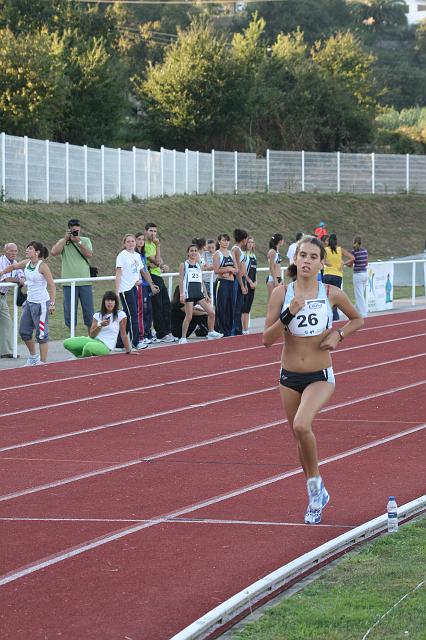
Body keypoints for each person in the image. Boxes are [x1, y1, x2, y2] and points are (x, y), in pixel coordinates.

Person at [263, 236, 363, 524]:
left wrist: (338, 334)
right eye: (302, 255)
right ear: (295, 260)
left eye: (312, 257)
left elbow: (357, 319)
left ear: (322, 263)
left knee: (301, 424)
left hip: (320, 375)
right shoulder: (281, 293)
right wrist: (289, 312)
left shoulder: (331, 292)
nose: (306, 261)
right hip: (288, 376)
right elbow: (266, 340)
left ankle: (316, 487)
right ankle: (315, 493)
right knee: (299, 436)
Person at [0, 242, 56, 365]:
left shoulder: (43, 266)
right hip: (29, 303)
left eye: (30, 248)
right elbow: (13, 267)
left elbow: (52, 285)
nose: (26, 250)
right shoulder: (26, 263)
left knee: (41, 334)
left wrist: (52, 303)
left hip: (41, 304)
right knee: (24, 332)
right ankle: (33, 357)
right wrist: (2, 272)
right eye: (27, 248)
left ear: (37, 252)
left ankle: (42, 362)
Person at [50, 219, 94, 334]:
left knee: (89, 313)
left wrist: (78, 242)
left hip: (85, 282)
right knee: (70, 312)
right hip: (69, 283)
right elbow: (54, 252)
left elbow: (89, 254)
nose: (76, 232)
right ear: (69, 229)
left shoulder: (85, 240)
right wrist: (65, 239)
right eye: (73, 230)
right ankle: (72, 337)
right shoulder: (63, 241)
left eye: (77, 230)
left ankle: (91, 338)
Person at [64, 291, 137, 358]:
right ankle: (79, 357)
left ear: (115, 302)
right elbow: (92, 335)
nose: (110, 303)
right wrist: (100, 325)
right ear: (104, 302)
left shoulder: (121, 315)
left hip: (106, 345)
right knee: (67, 343)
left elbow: (123, 334)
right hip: (92, 340)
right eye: (108, 300)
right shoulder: (97, 315)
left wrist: (129, 350)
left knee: (88, 347)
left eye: (112, 300)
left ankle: (80, 359)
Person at [178, 244, 222, 344]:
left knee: (211, 312)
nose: (193, 253)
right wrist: (181, 294)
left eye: (195, 251)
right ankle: (183, 338)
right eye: (191, 251)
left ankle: (211, 332)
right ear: (188, 253)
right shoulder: (183, 265)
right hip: (189, 293)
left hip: (199, 293)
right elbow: (180, 280)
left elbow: (201, 280)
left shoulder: (198, 265)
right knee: (189, 316)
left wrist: (206, 294)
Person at [144, 222, 176, 342]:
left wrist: (162, 265)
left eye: (155, 231)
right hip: (152, 276)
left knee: (166, 304)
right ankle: (161, 333)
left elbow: (158, 261)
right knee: (157, 306)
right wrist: (158, 248)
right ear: (146, 231)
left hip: (158, 274)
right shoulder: (146, 245)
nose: (153, 234)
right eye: (151, 231)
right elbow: (156, 261)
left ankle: (167, 331)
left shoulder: (153, 244)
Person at [115, 234, 147, 351]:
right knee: (133, 314)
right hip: (125, 289)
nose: (131, 243)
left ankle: (119, 343)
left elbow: (138, 271)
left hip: (134, 288)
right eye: (128, 241)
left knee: (128, 315)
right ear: (124, 244)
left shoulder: (137, 256)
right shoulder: (122, 256)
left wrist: (138, 280)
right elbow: (118, 273)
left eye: (132, 241)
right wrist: (117, 291)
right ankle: (135, 341)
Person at [0, 243, 25, 358]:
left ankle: (5, 351)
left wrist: (21, 279)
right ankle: (6, 351)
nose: (13, 253)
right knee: (7, 322)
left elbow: (22, 275)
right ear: (6, 251)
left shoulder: (15, 263)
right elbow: (5, 279)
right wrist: (18, 280)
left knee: (6, 323)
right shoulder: (1, 262)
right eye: (11, 251)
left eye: (15, 251)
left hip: (2, 296)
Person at [135, 232, 160, 345]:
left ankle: (148, 332)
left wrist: (151, 284)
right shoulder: (134, 254)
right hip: (139, 285)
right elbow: (141, 271)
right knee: (142, 310)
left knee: (149, 309)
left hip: (146, 284)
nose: (141, 241)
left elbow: (145, 270)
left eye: (142, 240)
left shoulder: (142, 254)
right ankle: (142, 334)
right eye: (138, 239)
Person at [323, 233, 354, 321]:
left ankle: (327, 317)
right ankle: (335, 317)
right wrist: (343, 263)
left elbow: (321, 260)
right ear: (336, 240)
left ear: (329, 241)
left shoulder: (325, 250)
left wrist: (326, 263)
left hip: (327, 275)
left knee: (326, 296)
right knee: (336, 297)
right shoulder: (340, 250)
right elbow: (352, 258)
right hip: (337, 275)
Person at [213, 234, 238, 337]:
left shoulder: (231, 253)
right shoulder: (217, 254)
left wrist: (231, 270)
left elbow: (236, 269)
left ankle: (228, 330)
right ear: (219, 242)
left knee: (231, 306)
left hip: (231, 283)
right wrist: (228, 269)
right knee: (221, 306)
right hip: (221, 283)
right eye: (224, 240)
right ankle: (221, 330)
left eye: (227, 240)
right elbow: (216, 270)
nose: (226, 242)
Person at [231, 228, 249, 336]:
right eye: (246, 238)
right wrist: (242, 285)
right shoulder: (236, 249)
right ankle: (235, 330)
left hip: (241, 279)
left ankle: (238, 329)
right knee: (236, 306)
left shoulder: (239, 249)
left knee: (239, 306)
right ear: (244, 239)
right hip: (237, 280)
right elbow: (237, 269)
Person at [242, 235, 257, 335]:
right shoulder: (244, 255)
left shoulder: (254, 255)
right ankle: (243, 329)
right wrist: (249, 282)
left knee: (248, 308)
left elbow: (255, 271)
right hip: (246, 284)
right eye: (249, 242)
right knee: (243, 308)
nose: (250, 244)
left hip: (252, 285)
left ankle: (246, 329)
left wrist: (256, 282)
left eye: (252, 242)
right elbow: (243, 272)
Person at [351, 235, 368, 317]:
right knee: (361, 294)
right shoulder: (365, 251)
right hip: (365, 273)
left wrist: (345, 263)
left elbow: (351, 264)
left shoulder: (354, 252)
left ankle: (363, 312)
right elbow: (366, 262)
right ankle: (357, 310)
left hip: (357, 274)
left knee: (359, 295)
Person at [267, 233, 284, 301]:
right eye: (283, 240)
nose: (283, 242)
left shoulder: (277, 251)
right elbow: (271, 267)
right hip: (273, 279)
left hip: (278, 278)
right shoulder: (272, 251)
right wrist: (275, 280)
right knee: (272, 301)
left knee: (279, 301)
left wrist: (280, 279)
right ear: (280, 241)